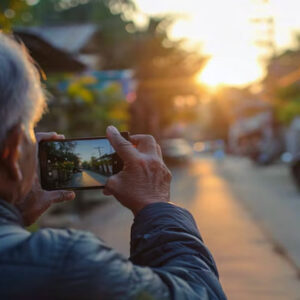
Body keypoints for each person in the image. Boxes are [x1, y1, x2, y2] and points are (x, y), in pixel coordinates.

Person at [0, 33, 227, 300]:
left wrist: (11, 213)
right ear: (13, 150)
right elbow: (202, 294)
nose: (36, 141)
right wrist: (155, 205)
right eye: (31, 130)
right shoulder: (67, 264)